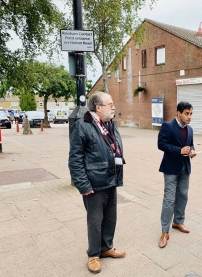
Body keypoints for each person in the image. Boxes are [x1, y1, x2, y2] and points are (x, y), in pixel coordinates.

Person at [68, 92, 126, 274]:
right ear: (98, 108)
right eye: (110, 104)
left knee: (110, 217)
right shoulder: (82, 126)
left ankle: (106, 247)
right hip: (94, 184)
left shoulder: (109, 124)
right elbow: (75, 160)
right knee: (95, 221)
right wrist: (83, 185)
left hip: (111, 179)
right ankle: (93, 254)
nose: (114, 107)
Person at [157, 101, 197, 248]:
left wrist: (191, 151)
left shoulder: (190, 129)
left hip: (185, 167)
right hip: (170, 167)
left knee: (183, 195)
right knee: (169, 199)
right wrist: (179, 150)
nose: (189, 116)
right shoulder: (167, 126)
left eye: (191, 113)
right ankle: (164, 231)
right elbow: (161, 144)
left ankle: (178, 222)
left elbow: (190, 144)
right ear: (178, 113)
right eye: (187, 113)